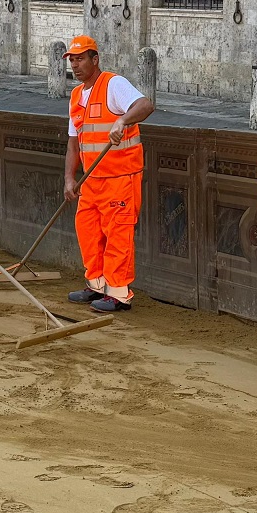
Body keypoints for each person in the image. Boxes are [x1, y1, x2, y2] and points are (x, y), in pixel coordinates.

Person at [61, 36, 154, 313]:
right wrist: (69, 178)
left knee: (117, 235)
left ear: (95, 59)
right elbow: (73, 142)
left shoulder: (113, 84)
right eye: (72, 60)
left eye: (80, 59)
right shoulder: (77, 95)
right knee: (88, 232)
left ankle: (119, 293)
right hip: (90, 180)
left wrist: (123, 119)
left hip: (119, 179)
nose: (75, 65)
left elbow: (145, 105)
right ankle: (97, 285)